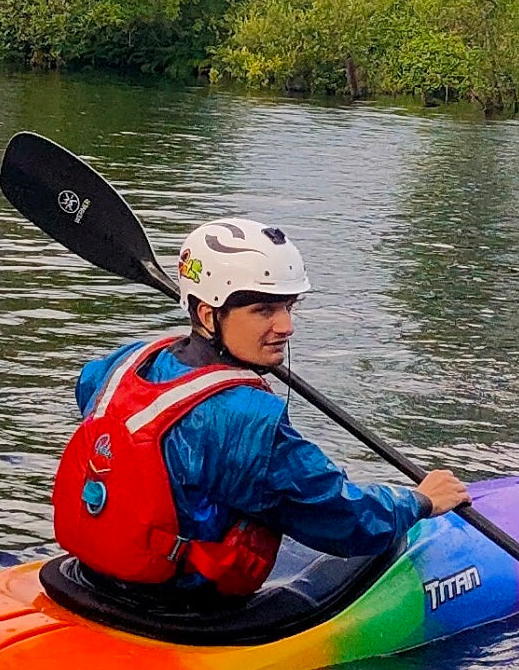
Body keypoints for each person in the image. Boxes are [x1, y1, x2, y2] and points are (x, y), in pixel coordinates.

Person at [53, 217, 470, 599]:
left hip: (97, 577)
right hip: (182, 604)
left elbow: (89, 395)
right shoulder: (247, 421)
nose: (286, 326)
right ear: (207, 313)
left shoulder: (124, 363)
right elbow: (342, 518)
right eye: (264, 310)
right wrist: (417, 502)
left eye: (289, 306)